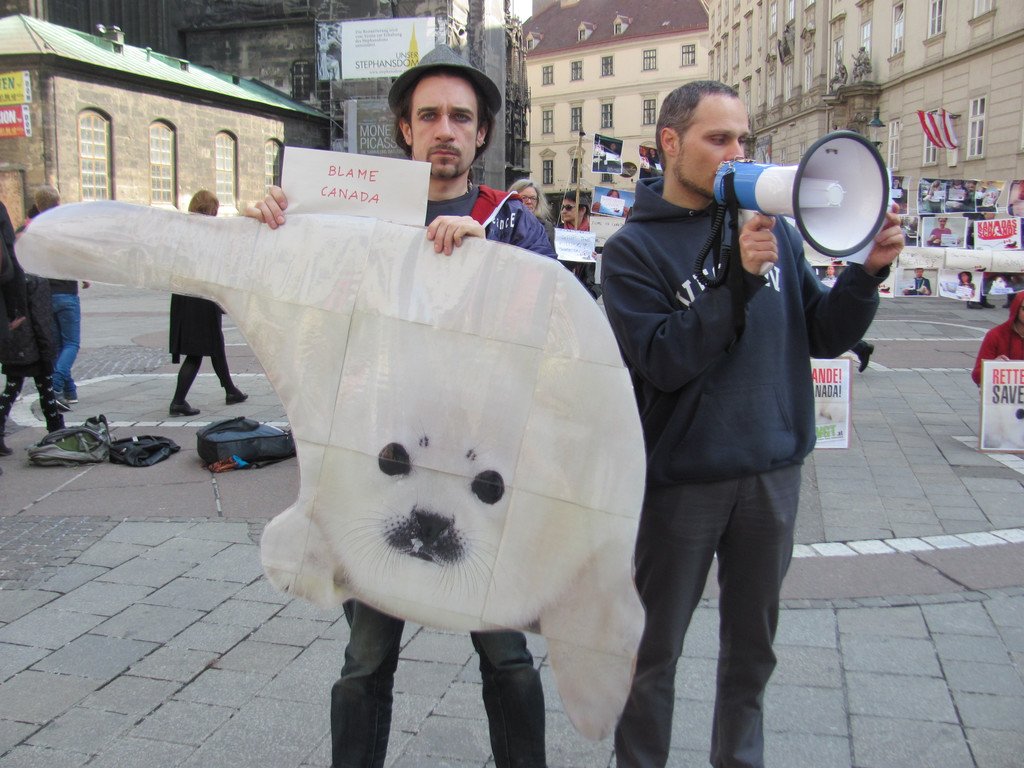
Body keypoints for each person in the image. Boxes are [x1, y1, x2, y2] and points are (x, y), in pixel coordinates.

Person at [247, 44, 553, 768]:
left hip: (483, 477)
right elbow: (299, 302)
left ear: (481, 133)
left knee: (508, 656)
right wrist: (270, 225)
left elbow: (559, 329)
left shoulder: (511, 223)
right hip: (379, 468)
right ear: (405, 129)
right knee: (365, 660)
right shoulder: (355, 213)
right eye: (430, 115)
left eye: (461, 117)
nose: (446, 129)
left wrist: (492, 261)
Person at [600, 80, 903, 768]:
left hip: (771, 472)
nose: (736, 153)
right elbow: (665, 360)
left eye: (743, 138)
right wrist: (735, 280)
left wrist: (865, 277)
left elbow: (823, 333)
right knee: (651, 652)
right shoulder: (631, 252)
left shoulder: (775, 232)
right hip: (682, 484)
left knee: (752, 653)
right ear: (669, 143)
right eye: (718, 139)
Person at [168, 190, 248, 417]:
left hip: (185, 297)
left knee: (215, 344)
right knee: (197, 351)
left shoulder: (185, 231)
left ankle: (230, 390)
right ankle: (178, 401)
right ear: (210, 210)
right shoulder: (206, 233)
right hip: (200, 299)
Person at [33, 187, 88, 410]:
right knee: (71, 344)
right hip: (66, 293)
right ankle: (55, 386)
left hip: (46, 295)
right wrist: (84, 275)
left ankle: (69, 391)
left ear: (37, 206)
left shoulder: (35, 229)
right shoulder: (65, 228)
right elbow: (76, 254)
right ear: (58, 203)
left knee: (57, 346)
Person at [0, 272, 65, 457]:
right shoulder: (36, 280)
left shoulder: (8, 276)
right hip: (33, 344)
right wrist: (47, 349)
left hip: (12, 342)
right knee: (45, 388)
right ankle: (56, 432)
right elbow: (41, 317)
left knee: (12, 388)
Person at [971, 291, 1024, 386]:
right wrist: (992, 365)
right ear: (1016, 309)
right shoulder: (995, 335)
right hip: (1004, 392)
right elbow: (977, 375)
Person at [508, 178, 554, 244]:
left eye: (533, 198)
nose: (529, 202)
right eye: (524, 198)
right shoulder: (505, 223)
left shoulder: (546, 227)